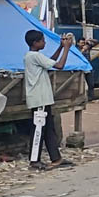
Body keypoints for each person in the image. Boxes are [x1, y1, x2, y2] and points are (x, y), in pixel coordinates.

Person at [23, 29, 74, 171]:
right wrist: (67, 48)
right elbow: (59, 65)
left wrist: (60, 47)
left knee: (49, 130)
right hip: (39, 100)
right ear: (35, 43)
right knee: (38, 130)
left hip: (43, 99)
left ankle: (56, 158)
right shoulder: (34, 56)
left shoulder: (33, 56)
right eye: (42, 41)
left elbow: (51, 62)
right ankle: (34, 161)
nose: (44, 43)